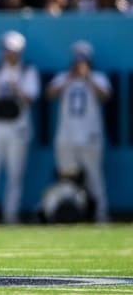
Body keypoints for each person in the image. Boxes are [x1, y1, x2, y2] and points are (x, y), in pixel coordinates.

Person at [0, 30, 40, 224]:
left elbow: (30, 98)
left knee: (15, 175)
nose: (6, 54)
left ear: (19, 51)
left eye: (10, 50)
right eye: (4, 50)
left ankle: (11, 215)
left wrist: (16, 88)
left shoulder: (28, 70)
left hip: (18, 128)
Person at [45, 40, 111, 223]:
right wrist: (69, 78)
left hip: (90, 135)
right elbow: (50, 94)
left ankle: (101, 214)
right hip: (66, 135)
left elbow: (106, 96)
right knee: (66, 178)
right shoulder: (63, 77)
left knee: (94, 176)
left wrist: (87, 77)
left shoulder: (98, 77)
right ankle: (69, 214)